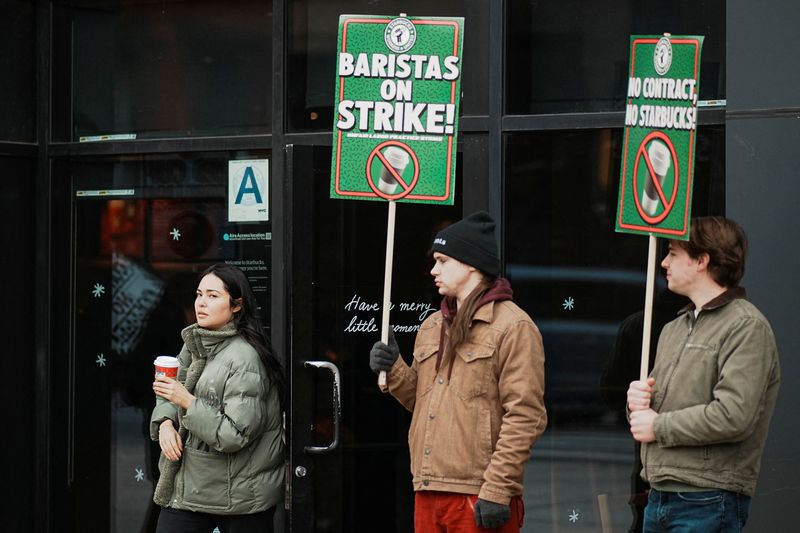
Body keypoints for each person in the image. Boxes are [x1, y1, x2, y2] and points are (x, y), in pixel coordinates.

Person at [370, 211, 547, 532]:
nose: (433, 270)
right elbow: (423, 401)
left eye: (442, 261)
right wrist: (393, 368)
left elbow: (525, 415)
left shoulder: (514, 326)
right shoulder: (432, 325)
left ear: (471, 264)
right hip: (427, 487)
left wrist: (497, 489)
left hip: (478, 492)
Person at [627, 217, 780, 533]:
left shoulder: (746, 326)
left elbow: (733, 415)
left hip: (709, 497)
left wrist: (658, 425)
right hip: (659, 495)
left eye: (672, 253)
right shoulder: (673, 328)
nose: (664, 262)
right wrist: (636, 404)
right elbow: (653, 415)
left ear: (701, 260)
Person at [150, 264, 285, 533]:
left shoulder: (245, 358)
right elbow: (170, 389)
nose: (201, 303)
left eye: (213, 296)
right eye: (199, 294)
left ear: (236, 305)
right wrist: (165, 423)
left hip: (238, 496)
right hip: (193, 487)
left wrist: (187, 401)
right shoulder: (196, 342)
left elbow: (235, 435)